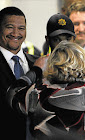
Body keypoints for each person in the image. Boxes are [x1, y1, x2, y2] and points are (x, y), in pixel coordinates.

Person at [0, 6, 39, 139]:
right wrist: (35, 71)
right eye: (9, 27)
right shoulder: (38, 68)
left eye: (21, 28)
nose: (16, 33)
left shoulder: (37, 62)